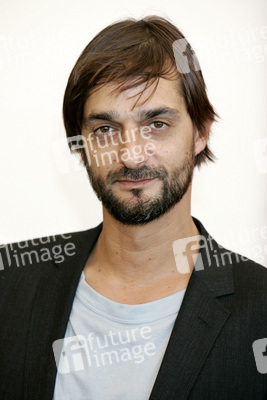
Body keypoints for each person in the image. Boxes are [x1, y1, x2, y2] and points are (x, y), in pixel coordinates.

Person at [0, 15, 266, 400]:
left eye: (156, 123)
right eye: (105, 129)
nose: (131, 155)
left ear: (201, 131)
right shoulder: (9, 282)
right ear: (81, 144)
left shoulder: (260, 305)